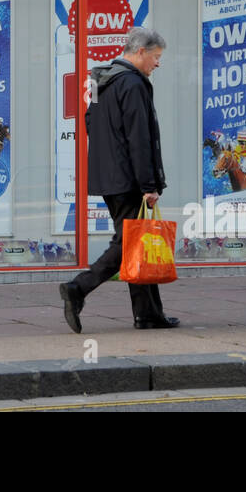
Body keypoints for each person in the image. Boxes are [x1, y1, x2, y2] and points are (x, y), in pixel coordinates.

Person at [59, 26, 179, 332]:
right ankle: (78, 287)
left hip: (108, 177)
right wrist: (149, 184)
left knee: (135, 240)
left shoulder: (99, 79)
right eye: (156, 56)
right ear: (140, 52)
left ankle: (148, 313)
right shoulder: (133, 84)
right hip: (128, 180)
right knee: (129, 244)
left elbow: (89, 123)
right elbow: (140, 138)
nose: (157, 63)